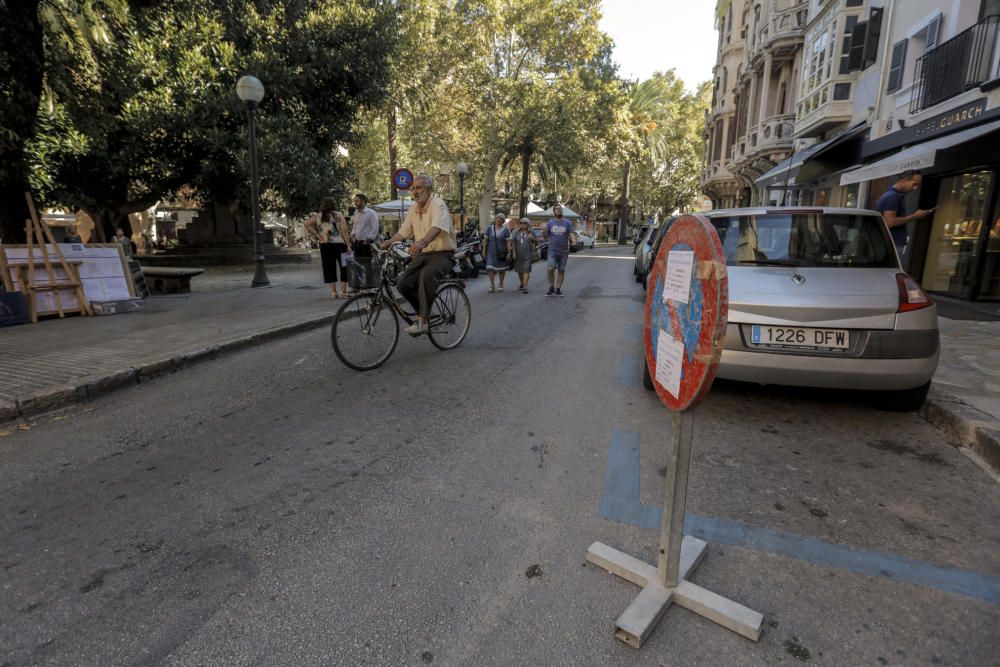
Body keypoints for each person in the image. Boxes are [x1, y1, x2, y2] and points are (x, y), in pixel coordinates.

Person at [380, 174, 456, 336]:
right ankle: (424, 314)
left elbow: (436, 228)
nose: (414, 191)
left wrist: (421, 242)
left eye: (418, 188)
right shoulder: (413, 209)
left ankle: (422, 320)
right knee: (402, 284)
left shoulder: (438, 204)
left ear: (428, 190)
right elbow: (403, 232)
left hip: (442, 254)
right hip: (423, 254)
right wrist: (388, 243)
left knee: (426, 276)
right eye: (413, 188)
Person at [875, 170, 936, 261]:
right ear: (904, 181)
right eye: (914, 184)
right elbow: (890, 222)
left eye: (917, 185)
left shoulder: (892, 195)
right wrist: (914, 216)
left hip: (889, 244)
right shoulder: (893, 197)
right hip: (891, 244)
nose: (915, 188)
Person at [307, 198, 351, 298]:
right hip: (340, 244)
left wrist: (318, 235)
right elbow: (344, 231)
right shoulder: (339, 215)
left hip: (325, 244)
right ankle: (343, 292)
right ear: (333, 205)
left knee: (328, 268)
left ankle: (333, 292)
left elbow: (307, 224)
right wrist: (348, 245)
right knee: (344, 267)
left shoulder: (318, 216)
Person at [543, 204, 576, 296]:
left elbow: (571, 233)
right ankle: (551, 287)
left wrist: (573, 240)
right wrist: (544, 231)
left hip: (563, 251)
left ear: (562, 211)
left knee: (561, 270)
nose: (558, 210)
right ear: (554, 212)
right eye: (556, 209)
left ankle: (558, 289)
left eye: (560, 209)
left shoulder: (567, 222)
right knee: (550, 268)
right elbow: (547, 235)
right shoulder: (550, 223)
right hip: (552, 250)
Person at [484, 213, 511, 292]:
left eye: (501, 219)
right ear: (495, 219)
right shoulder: (489, 228)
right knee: (490, 268)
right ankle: (492, 285)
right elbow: (485, 240)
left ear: (503, 221)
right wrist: (483, 250)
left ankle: (501, 284)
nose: (498, 220)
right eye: (497, 218)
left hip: (502, 252)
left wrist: (509, 252)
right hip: (491, 252)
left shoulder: (506, 230)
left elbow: (508, 242)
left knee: (501, 269)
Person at [511, 217, 537, 293]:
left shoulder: (531, 232)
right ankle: (522, 283)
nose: (522, 224)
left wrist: (533, 239)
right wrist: (513, 253)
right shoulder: (516, 232)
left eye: (524, 223)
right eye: (521, 223)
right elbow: (513, 243)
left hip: (528, 254)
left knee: (526, 270)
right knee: (520, 270)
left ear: (528, 224)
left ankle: (525, 286)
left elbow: (537, 242)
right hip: (518, 254)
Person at [350, 193, 380, 262]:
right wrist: (353, 234)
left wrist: (368, 239)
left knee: (367, 265)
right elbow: (355, 225)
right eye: (354, 201)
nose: (355, 203)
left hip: (366, 244)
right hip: (356, 243)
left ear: (363, 201)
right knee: (357, 265)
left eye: (357, 201)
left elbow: (375, 228)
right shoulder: (356, 213)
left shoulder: (371, 213)